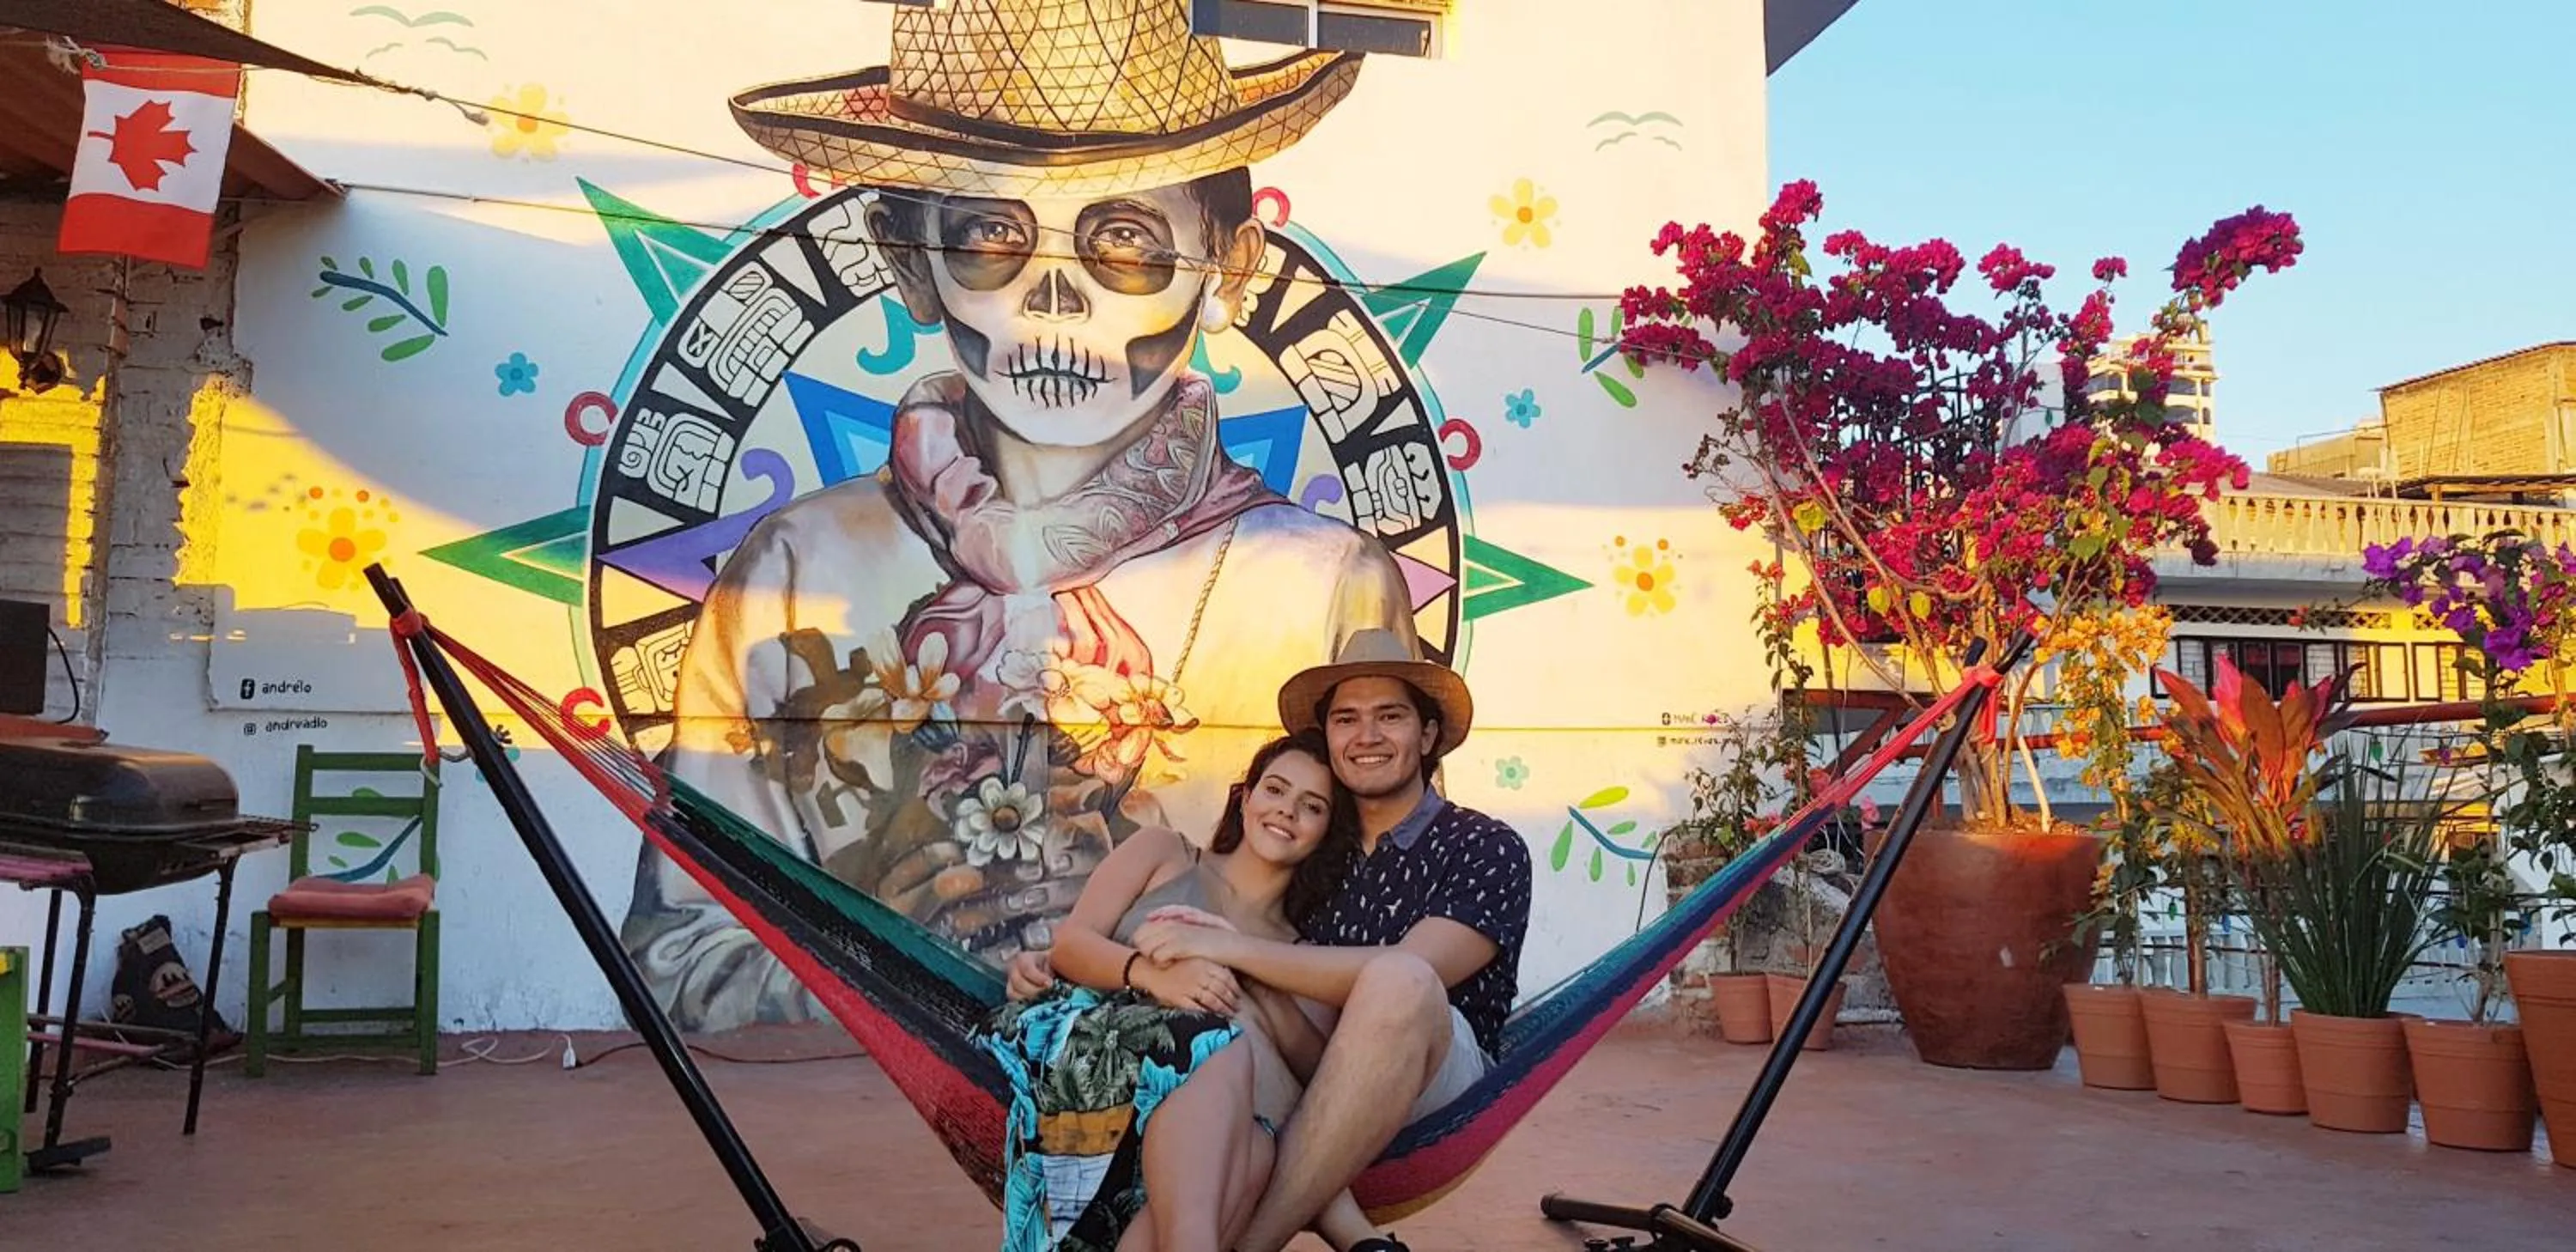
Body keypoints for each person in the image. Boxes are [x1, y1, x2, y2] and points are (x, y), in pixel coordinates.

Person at [624, 0, 1414, 1032]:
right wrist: (912, 963)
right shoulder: (797, 568)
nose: (1052, 298)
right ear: (911, 263)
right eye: (993, 235)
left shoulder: (1324, 585)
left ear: (1228, 267)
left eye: (1123, 238)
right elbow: (685, 956)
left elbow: (1375, 907)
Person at [1011, 629, 1531, 1252]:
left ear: (1427, 736)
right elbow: (1240, 966)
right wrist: (1058, 963)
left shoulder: (1483, 845)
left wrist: (1227, 948)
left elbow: (1416, 972)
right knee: (1224, 1031)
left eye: (1390, 716)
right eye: (1346, 719)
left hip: (1434, 1074)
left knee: (1398, 979)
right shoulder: (1320, 866)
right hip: (1308, 1074)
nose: (1366, 735)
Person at [981, 729, 1378, 1252]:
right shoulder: (1165, 851)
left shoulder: (1295, 949)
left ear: (1326, 831)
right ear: (1246, 797)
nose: (1287, 810)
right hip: (1090, 1052)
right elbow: (1072, 946)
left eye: (1312, 806)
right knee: (1216, 1045)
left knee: (1256, 1147)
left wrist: (1251, 970)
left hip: (1191, 1116)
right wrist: (1155, 975)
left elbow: (1311, 1070)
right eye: (1275, 790)